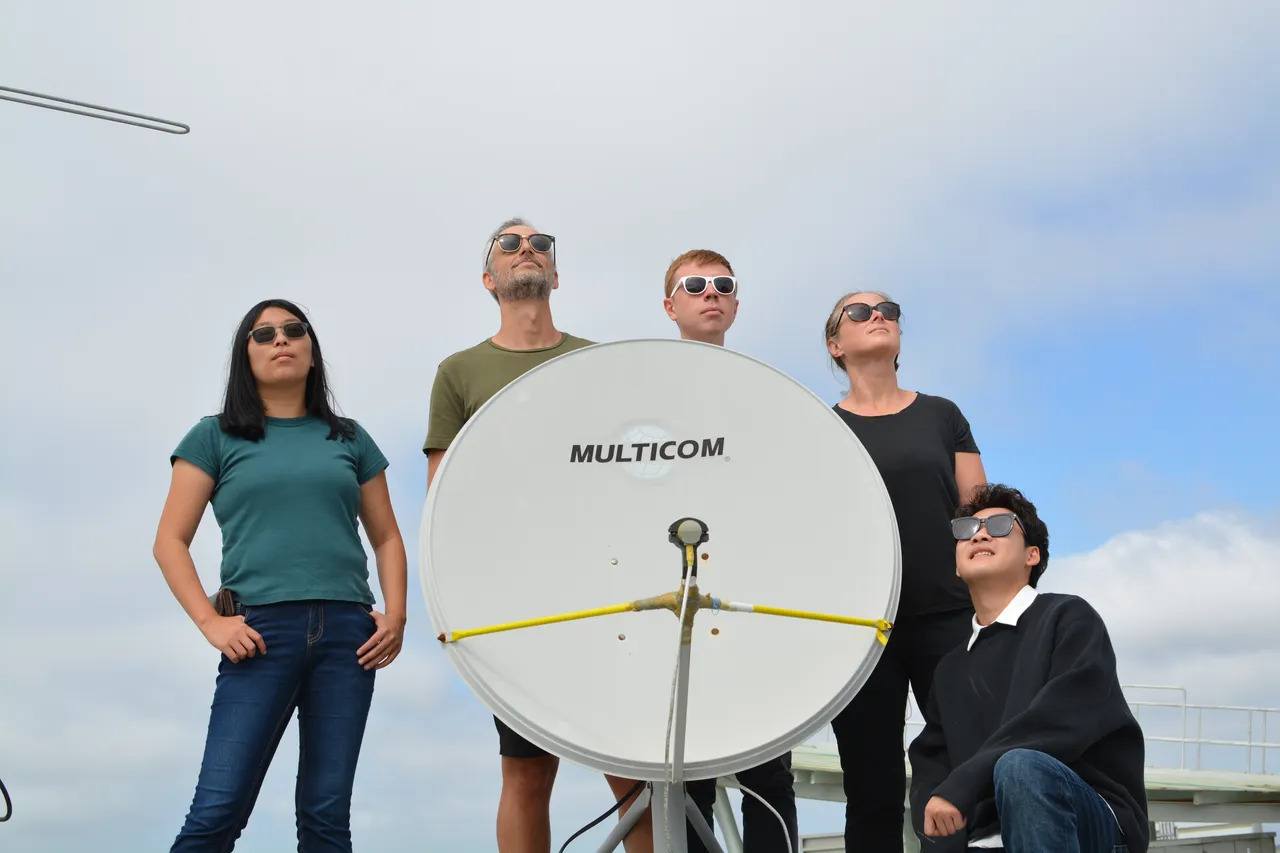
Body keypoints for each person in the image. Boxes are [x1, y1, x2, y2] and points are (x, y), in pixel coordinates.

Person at [155, 299, 407, 852]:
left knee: (325, 817)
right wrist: (210, 623)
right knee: (217, 811)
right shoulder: (214, 437)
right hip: (259, 636)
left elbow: (386, 536)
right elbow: (169, 542)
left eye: (294, 331)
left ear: (312, 352)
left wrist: (397, 614)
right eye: (263, 334)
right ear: (245, 355)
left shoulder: (349, 438)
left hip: (348, 637)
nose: (280, 341)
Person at [604, 249, 799, 852]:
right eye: (695, 285)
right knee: (689, 774)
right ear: (671, 305)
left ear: (735, 305)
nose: (710, 293)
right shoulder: (641, 395)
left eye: (723, 285)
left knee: (770, 766)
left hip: (743, 594)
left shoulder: (764, 395)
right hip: (672, 598)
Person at [423, 218, 592, 853]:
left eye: (541, 244)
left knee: (631, 767)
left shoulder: (597, 361)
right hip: (513, 596)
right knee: (525, 769)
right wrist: (452, 600)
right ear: (489, 279)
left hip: (603, 582)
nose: (529, 251)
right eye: (511, 245)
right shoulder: (459, 373)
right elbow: (444, 496)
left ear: (556, 273)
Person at [822, 292, 987, 850]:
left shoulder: (943, 415)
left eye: (889, 310)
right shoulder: (821, 426)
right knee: (872, 786)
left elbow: (980, 513)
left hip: (947, 614)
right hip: (861, 626)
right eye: (861, 312)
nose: (879, 318)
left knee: (957, 773)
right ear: (835, 345)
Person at [908, 484, 1148, 852]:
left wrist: (964, 784)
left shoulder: (1068, 617)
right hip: (989, 840)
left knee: (1021, 767)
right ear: (956, 567)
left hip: (1087, 825)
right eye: (967, 530)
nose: (981, 533)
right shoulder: (950, 669)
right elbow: (932, 766)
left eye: (1002, 525)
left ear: (1032, 555)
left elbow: (1062, 717)